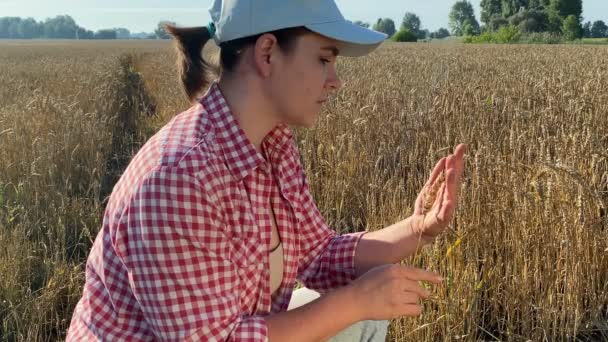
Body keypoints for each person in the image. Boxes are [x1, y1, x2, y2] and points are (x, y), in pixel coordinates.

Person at [66, 0, 467, 341]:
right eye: (324, 59)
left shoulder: (274, 143)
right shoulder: (179, 179)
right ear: (268, 52)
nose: (336, 81)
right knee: (361, 304)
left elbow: (319, 256)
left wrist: (419, 229)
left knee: (366, 310)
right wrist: (357, 300)